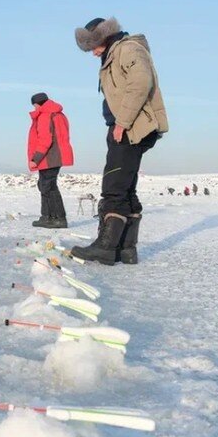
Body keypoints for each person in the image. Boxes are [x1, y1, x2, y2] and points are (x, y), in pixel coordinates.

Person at [70, 17, 168, 265]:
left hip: (130, 128)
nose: (93, 53)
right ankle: (126, 248)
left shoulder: (128, 49)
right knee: (126, 187)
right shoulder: (115, 53)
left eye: (93, 46)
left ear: (104, 37)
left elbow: (140, 83)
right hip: (128, 127)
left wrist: (122, 122)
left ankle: (106, 246)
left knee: (114, 185)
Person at [27, 92, 74, 228]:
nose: (34, 108)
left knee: (49, 187)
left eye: (34, 105)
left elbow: (45, 139)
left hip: (49, 157)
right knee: (45, 185)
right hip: (55, 156)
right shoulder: (59, 114)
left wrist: (36, 158)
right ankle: (47, 216)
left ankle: (58, 218)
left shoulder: (46, 115)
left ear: (38, 104)